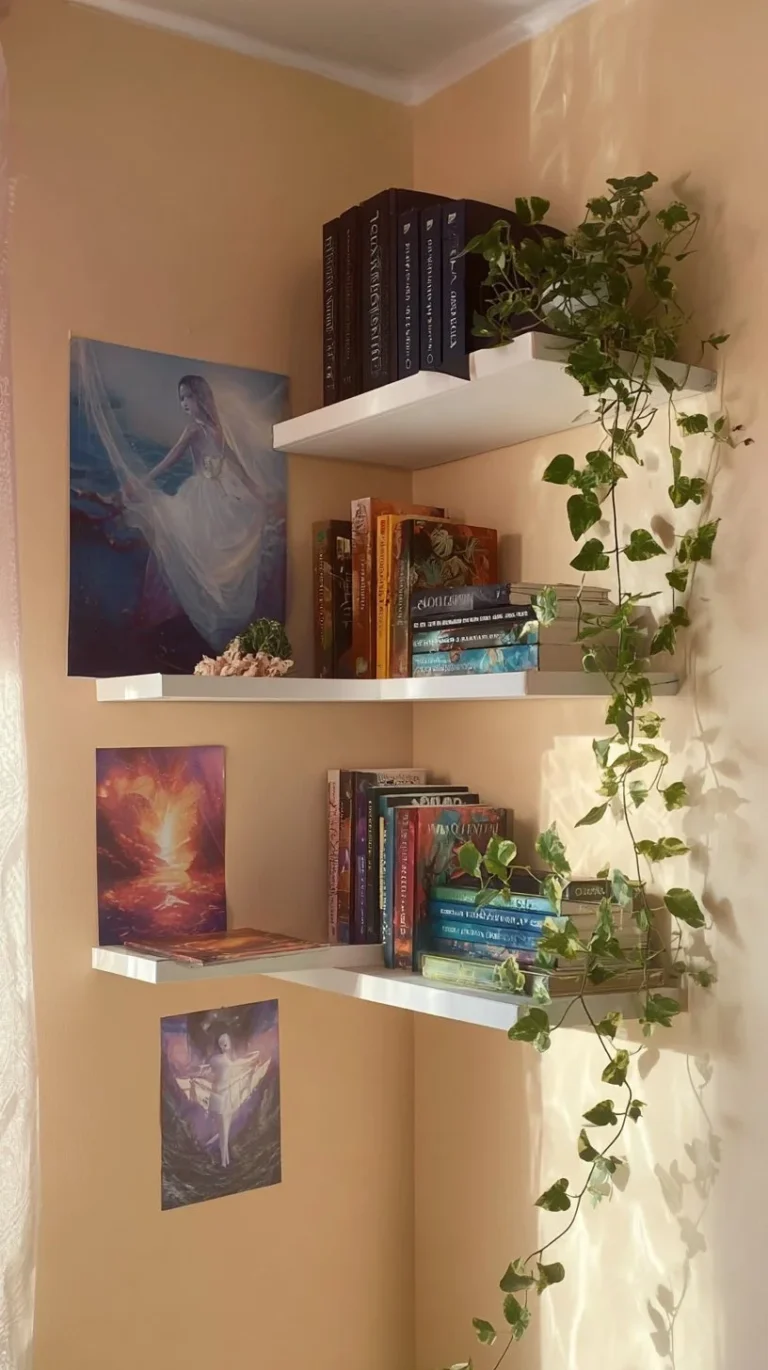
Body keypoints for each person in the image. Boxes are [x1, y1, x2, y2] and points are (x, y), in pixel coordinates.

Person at [122, 375, 271, 650]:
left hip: (222, 496)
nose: (184, 404)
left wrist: (256, 490)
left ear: (201, 397)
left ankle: (212, 615)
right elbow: (171, 459)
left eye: (188, 397)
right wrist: (143, 481)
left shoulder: (218, 429)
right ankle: (180, 614)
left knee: (225, 555)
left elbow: (234, 463)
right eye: (181, 398)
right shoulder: (193, 430)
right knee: (195, 552)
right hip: (201, 496)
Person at [205, 1032, 264, 1168]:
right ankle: (224, 1161)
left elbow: (214, 1073)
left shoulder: (217, 1060)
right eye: (225, 1042)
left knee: (223, 1131)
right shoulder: (223, 1061)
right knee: (224, 1131)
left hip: (221, 1098)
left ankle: (224, 1160)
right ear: (222, 1045)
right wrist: (252, 1063)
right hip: (222, 1098)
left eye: (227, 1041)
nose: (227, 1044)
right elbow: (237, 1066)